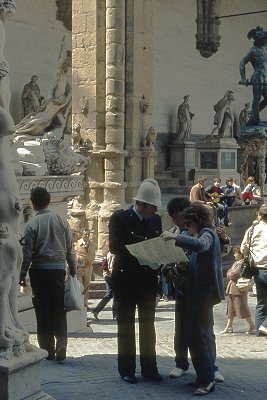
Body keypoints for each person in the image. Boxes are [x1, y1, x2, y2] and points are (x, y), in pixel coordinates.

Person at [162, 197, 229, 383]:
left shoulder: (205, 232)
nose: (181, 223)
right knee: (185, 330)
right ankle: (187, 366)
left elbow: (207, 248)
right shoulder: (184, 230)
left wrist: (224, 239)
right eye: (175, 219)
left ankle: (209, 371)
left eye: (183, 219)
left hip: (200, 290)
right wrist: (171, 268)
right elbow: (167, 257)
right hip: (183, 286)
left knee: (202, 332)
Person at [109, 179, 163, 384]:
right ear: (141, 204)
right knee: (126, 326)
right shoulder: (120, 218)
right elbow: (115, 246)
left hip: (148, 279)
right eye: (153, 206)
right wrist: (140, 253)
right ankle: (126, 369)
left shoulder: (155, 220)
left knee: (148, 326)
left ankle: (150, 369)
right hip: (125, 278)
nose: (155, 210)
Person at [19, 187, 77, 361]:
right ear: (49, 201)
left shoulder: (31, 224)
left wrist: (22, 274)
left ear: (33, 203)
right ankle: (62, 344)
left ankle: (47, 350)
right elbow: (70, 249)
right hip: (58, 271)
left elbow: (26, 254)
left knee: (42, 310)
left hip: (39, 272)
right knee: (59, 308)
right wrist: (72, 269)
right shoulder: (61, 221)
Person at [240, 205, 267, 337]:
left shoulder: (251, 230)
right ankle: (264, 326)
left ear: (260, 216)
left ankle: (259, 332)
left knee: (261, 302)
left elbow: (243, 249)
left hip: (257, 269)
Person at [221, 246, 255, 334]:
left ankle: (252, 325)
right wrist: (230, 273)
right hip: (232, 288)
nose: (234, 255)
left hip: (238, 288)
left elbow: (233, 274)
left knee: (242, 307)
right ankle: (229, 326)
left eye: (236, 253)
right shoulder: (236, 263)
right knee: (230, 308)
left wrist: (230, 273)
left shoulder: (242, 263)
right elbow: (229, 272)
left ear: (240, 254)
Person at [239, 26, 267, 126]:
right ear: (259, 40)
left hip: (262, 77)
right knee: (256, 98)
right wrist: (243, 78)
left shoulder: (264, 47)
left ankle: (253, 115)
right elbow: (242, 63)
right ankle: (256, 120)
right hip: (257, 76)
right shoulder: (253, 51)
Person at [91, 250, 117, 320]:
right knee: (115, 294)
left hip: (107, 275)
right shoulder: (113, 254)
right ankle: (115, 315)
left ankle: (96, 310)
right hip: (111, 276)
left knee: (109, 294)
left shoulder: (108, 253)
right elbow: (112, 267)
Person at [74, 228, 95, 310]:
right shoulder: (77, 243)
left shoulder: (92, 244)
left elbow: (93, 254)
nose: (87, 236)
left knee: (87, 286)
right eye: (85, 234)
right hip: (80, 268)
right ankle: (80, 302)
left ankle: (85, 303)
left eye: (88, 234)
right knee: (80, 285)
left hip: (89, 267)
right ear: (81, 234)